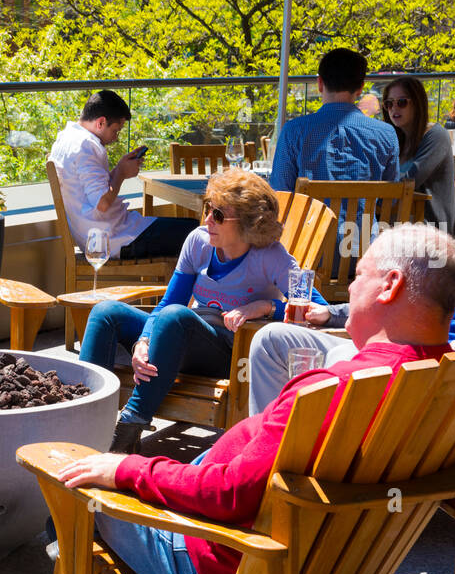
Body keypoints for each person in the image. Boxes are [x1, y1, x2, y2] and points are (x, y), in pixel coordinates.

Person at [55, 225, 455, 574]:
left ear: (390, 285)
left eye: (358, 277)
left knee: (75, 478)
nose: (351, 290)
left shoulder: (331, 391)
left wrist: (126, 468)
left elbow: (230, 495)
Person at [247, 181, 455, 415]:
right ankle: (270, 451)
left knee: (341, 356)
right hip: (405, 362)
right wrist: (331, 314)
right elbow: (405, 301)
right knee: (274, 339)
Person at [78, 169, 323, 454]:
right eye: (208, 208)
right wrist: (144, 341)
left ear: (247, 223)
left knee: (176, 317)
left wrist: (267, 307)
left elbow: (318, 311)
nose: (208, 219)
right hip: (176, 340)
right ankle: (83, 415)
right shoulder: (198, 242)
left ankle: (129, 428)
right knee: (106, 313)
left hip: (228, 353)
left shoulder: (271, 257)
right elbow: (169, 301)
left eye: (218, 215)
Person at [48, 89, 199, 260]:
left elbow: (89, 192)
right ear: (101, 123)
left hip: (98, 234)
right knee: (197, 233)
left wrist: (120, 168)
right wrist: (120, 173)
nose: (116, 138)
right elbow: (102, 203)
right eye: (115, 131)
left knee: (192, 229)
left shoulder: (65, 139)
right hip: (113, 239)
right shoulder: (86, 146)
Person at [269, 48, 400, 191]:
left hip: (314, 214)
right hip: (363, 214)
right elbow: (391, 198)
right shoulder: (386, 134)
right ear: (360, 88)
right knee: (366, 215)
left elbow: (280, 192)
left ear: (320, 83)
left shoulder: (293, 131)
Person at [382, 76, 455, 233]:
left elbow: (410, 180)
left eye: (401, 102)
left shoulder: (436, 136)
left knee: (356, 237)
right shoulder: (398, 139)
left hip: (432, 228)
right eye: (389, 104)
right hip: (403, 221)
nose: (394, 108)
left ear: (417, 103)